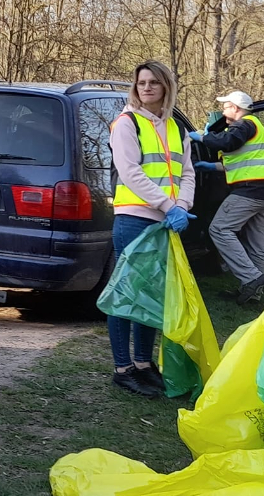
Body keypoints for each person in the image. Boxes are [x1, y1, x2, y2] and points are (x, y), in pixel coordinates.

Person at [106, 61, 197, 398]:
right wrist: (168, 205)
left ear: (165, 88)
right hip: (134, 218)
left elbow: (187, 173)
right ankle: (122, 368)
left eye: (153, 83)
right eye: (141, 82)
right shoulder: (127, 123)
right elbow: (130, 172)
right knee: (126, 295)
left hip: (165, 220)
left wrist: (182, 206)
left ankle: (144, 364)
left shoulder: (177, 128)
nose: (146, 88)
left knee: (151, 297)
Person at [187, 90, 264, 303]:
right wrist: (212, 166)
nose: (223, 112)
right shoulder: (255, 126)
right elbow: (240, 160)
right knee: (256, 243)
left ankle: (252, 278)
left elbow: (227, 142)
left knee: (219, 229)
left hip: (248, 191)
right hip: (263, 191)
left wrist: (203, 137)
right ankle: (254, 293)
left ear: (235, 107)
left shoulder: (244, 124)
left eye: (225, 107)